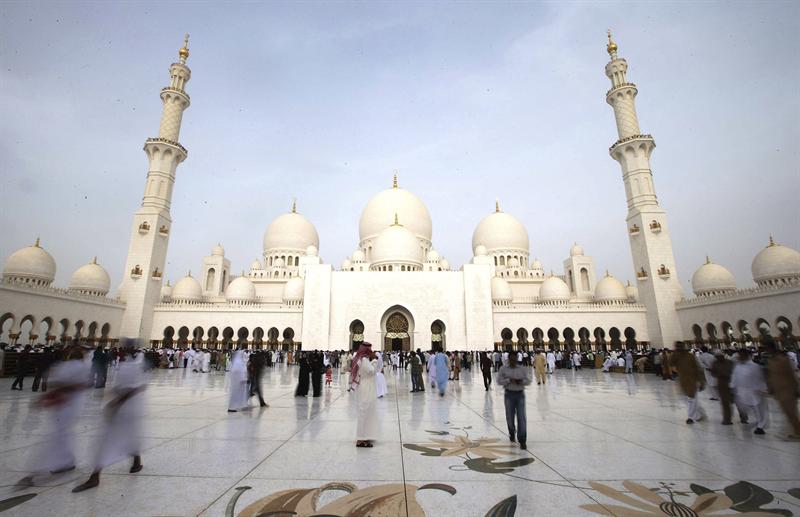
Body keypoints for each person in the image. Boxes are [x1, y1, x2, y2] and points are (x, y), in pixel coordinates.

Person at [72, 346, 146, 493]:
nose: (117, 354)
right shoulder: (131, 366)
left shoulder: (131, 367)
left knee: (106, 442)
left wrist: (116, 402)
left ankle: (95, 477)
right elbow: (132, 387)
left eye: (122, 351)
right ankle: (136, 462)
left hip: (124, 410)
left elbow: (133, 389)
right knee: (127, 436)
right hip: (128, 410)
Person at [17, 345, 89, 487]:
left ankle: (45, 466)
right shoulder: (79, 366)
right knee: (62, 433)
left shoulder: (65, 366)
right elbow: (79, 384)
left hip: (66, 403)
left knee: (59, 434)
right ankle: (66, 461)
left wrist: (52, 393)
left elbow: (60, 383)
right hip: (70, 403)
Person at [764, 340, 800, 439]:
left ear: (771, 348)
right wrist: (770, 387)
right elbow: (771, 376)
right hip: (778, 391)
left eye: (767, 348)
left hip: (788, 389)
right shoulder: (770, 361)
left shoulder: (783, 359)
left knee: (791, 412)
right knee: (787, 412)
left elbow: (792, 374)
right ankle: (796, 430)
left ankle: (798, 432)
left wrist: (796, 388)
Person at [497, 350, 532, 450]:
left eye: (514, 358)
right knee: (510, 417)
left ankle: (522, 440)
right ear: (508, 359)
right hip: (509, 394)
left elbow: (528, 381)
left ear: (517, 358)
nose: (513, 360)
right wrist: (509, 380)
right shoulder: (503, 369)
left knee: (521, 417)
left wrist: (521, 381)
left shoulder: (522, 369)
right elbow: (499, 381)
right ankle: (511, 431)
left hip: (520, 394)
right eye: (511, 359)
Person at [731, 348, 769, 435]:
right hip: (743, 392)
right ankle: (758, 423)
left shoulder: (754, 366)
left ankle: (760, 426)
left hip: (755, 391)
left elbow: (760, 378)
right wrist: (732, 387)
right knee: (747, 409)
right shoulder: (738, 366)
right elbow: (734, 377)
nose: (739, 357)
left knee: (759, 410)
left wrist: (762, 389)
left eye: (741, 355)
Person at [670, 342, 706, 424]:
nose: (679, 348)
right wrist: (675, 352)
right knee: (687, 399)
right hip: (683, 380)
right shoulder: (676, 356)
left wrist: (701, 381)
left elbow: (698, 368)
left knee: (692, 399)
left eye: (680, 347)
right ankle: (699, 414)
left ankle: (691, 417)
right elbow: (671, 363)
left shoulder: (690, 356)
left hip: (693, 380)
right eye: (677, 347)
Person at [710, 350, 746, 425]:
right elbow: (713, 373)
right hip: (722, 385)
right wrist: (720, 375)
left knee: (738, 402)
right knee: (725, 403)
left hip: (732, 384)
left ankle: (743, 417)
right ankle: (727, 419)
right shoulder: (715, 363)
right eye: (717, 357)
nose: (719, 358)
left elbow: (735, 372)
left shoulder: (730, 362)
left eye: (720, 356)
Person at [353, 343, 378, 448]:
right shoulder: (364, 360)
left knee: (366, 411)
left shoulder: (361, 359)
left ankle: (365, 436)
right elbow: (372, 371)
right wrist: (375, 360)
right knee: (364, 411)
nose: (371, 351)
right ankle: (361, 439)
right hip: (366, 387)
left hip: (365, 386)